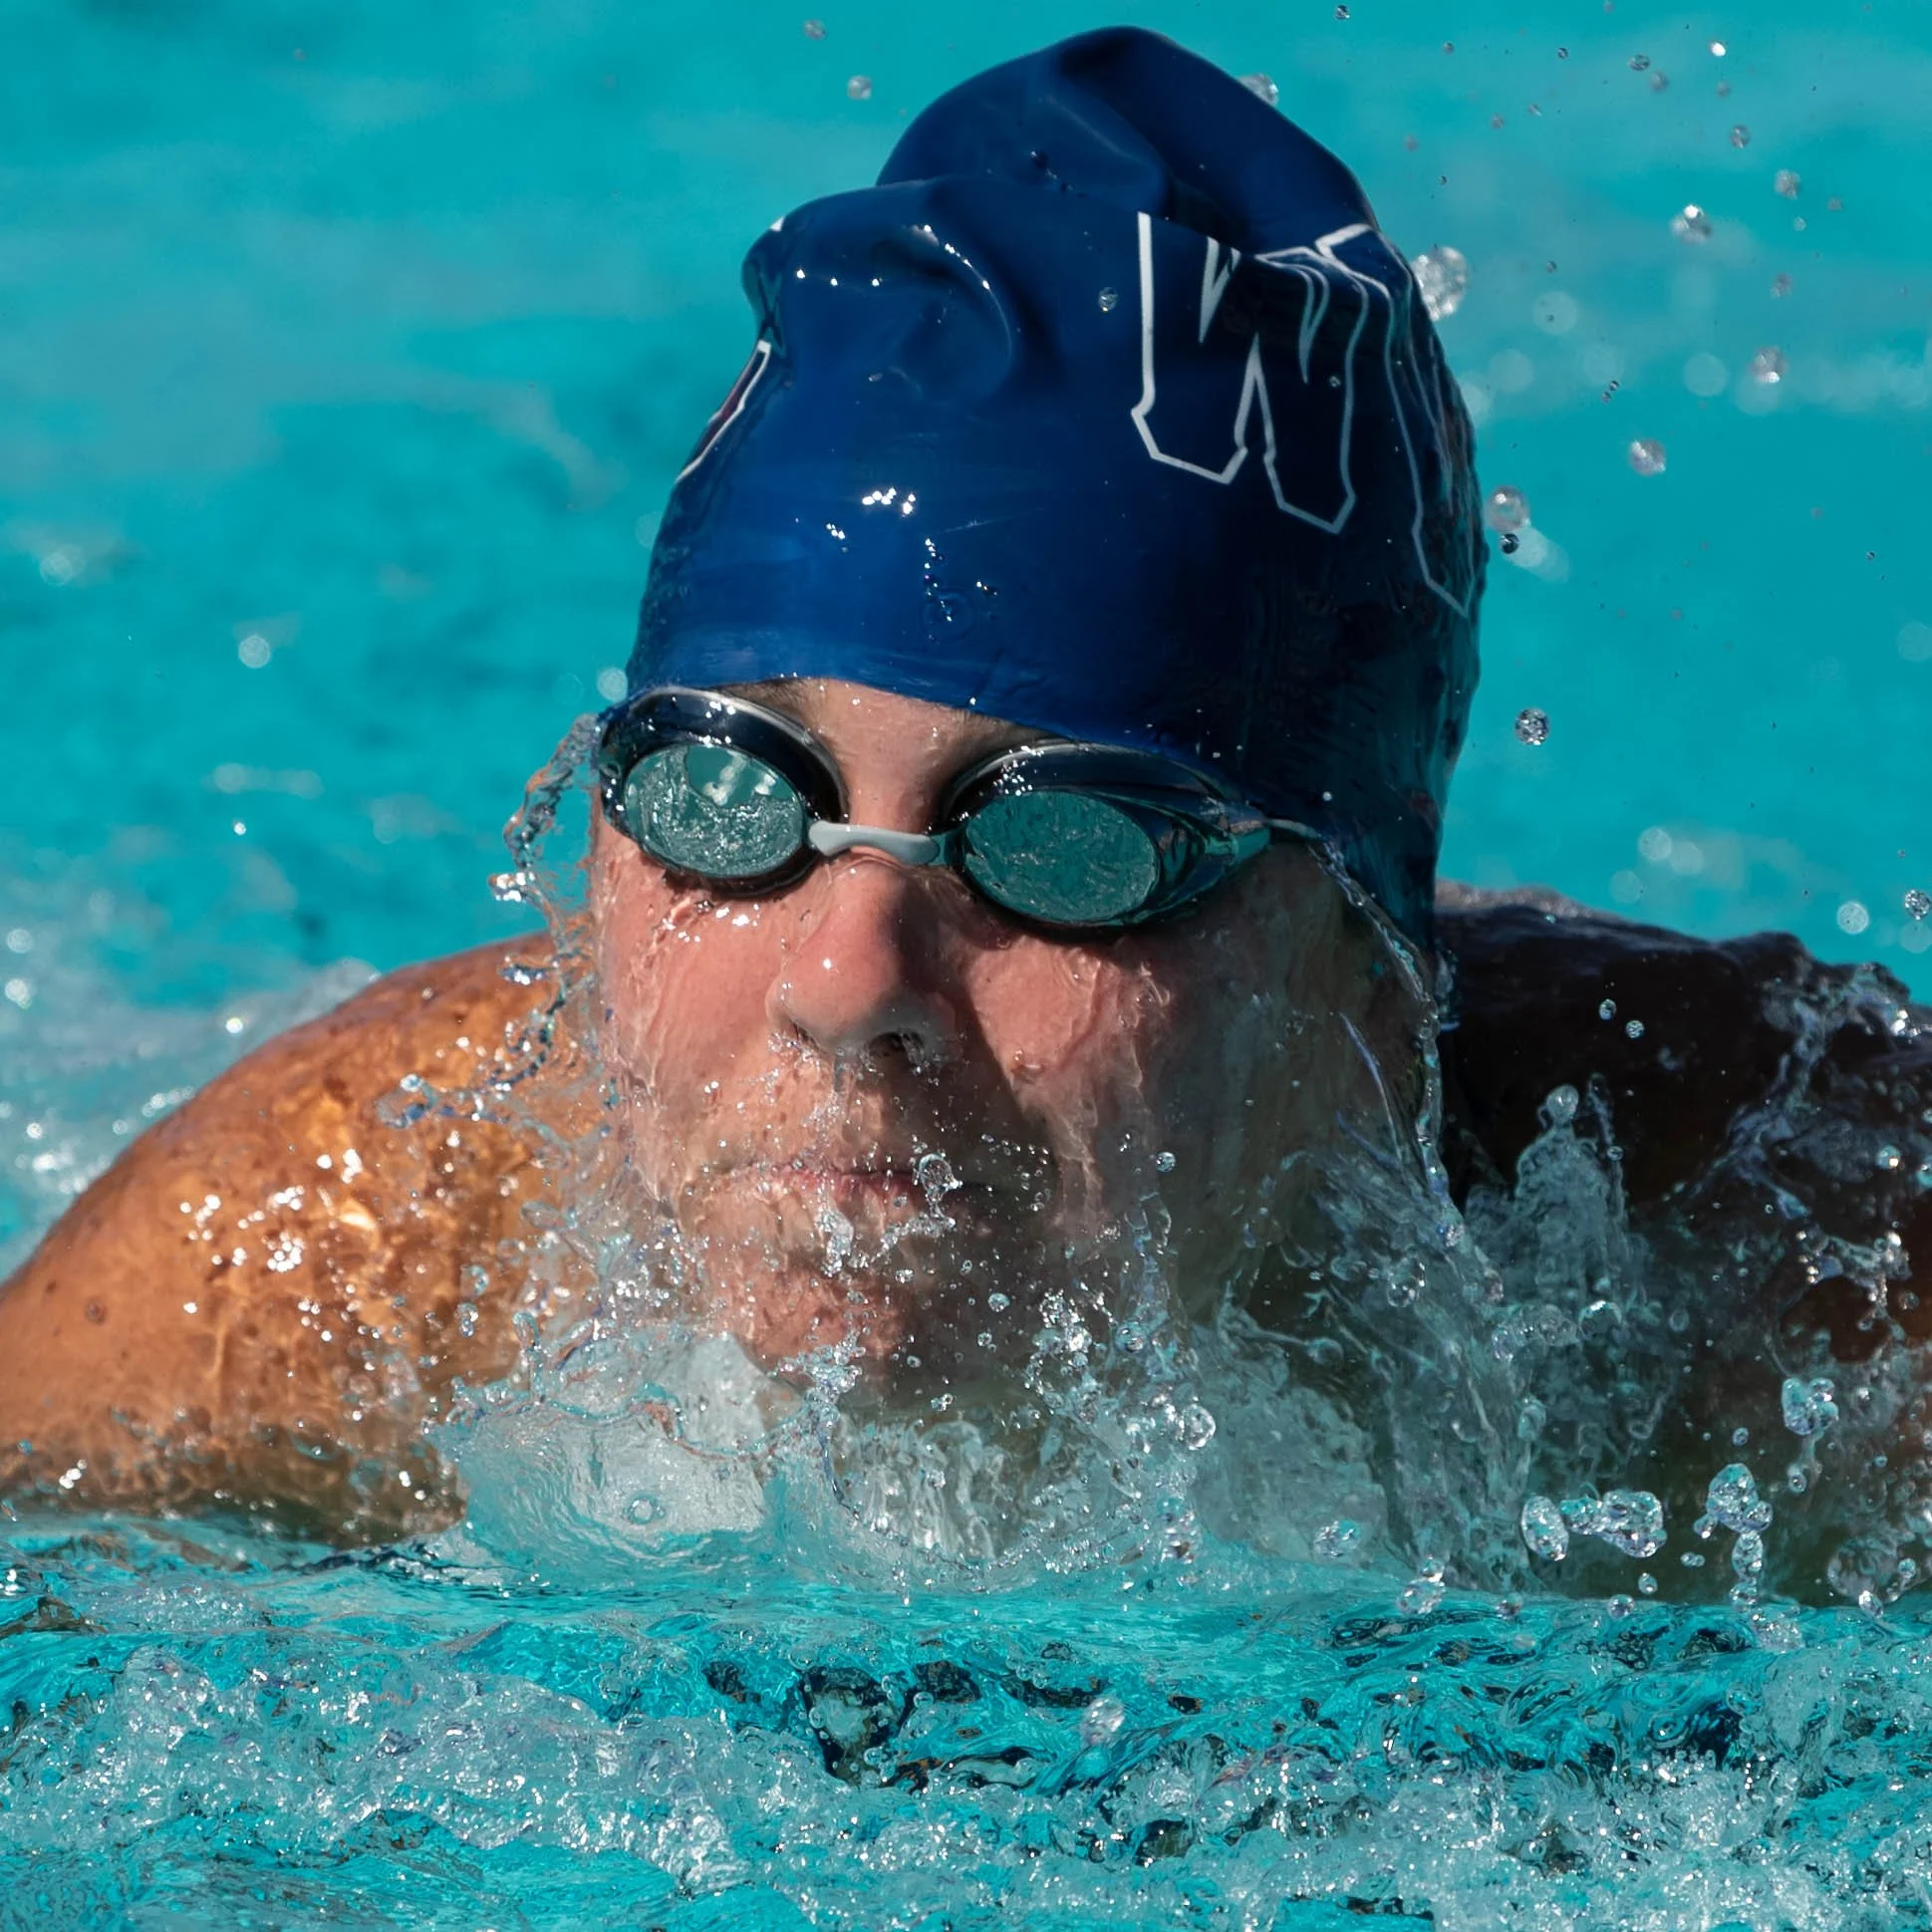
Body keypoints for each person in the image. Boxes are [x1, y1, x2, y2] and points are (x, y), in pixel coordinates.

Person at [4, 30, 1927, 1574]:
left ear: (1361, 975)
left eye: (1062, 845)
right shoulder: (348, 1249)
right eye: (731, 795)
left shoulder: (1798, 1280)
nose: (846, 979)